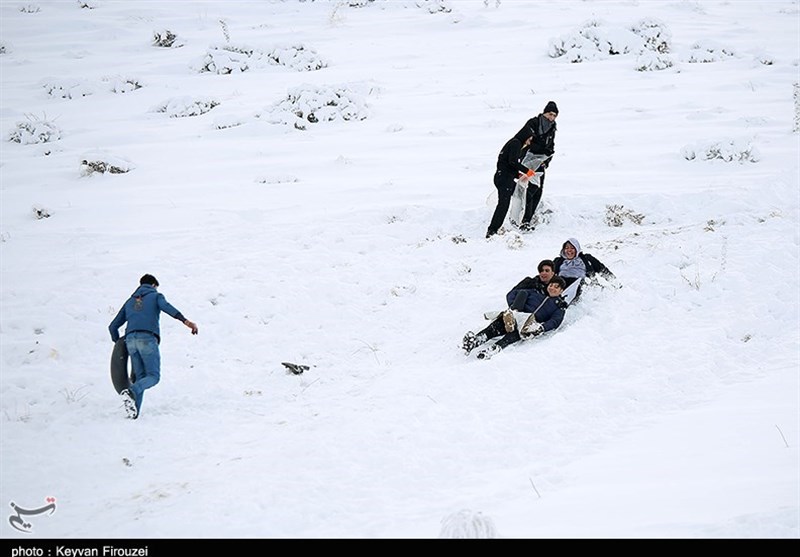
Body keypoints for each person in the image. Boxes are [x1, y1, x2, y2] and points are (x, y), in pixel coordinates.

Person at [108, 274, 198, 419]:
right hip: (147, 339)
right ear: (154, 285)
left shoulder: (129, 302)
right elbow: (168, 308)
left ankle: (133, 413)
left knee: (140, 378)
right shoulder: (156, 296)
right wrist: (186, 322)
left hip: (130, 341)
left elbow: (113, 326)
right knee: (153, 376)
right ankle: (131, 392)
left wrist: (119, 345)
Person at [462, 275, 568, 360]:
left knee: (513, 335)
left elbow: (555, 321)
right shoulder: (536, 292)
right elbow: (513, 294)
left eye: (556, 287)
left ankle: (492, 350)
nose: (552, 288)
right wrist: (514, 306)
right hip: (515, 315)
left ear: (561, 290)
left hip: (527, 323)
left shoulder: (559, 306)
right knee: (495, 327)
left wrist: (541, 327)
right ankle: (475, 341)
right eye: (551, 285)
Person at [514, 101, 558, 231]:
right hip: (528, 160)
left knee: (538, 190)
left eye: (554, 115)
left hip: (541, 162)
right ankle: (521, 219)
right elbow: (525, 141)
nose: (551, 117)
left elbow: (551, 147)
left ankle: (527, 220)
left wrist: (546, 161)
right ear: (545, 113)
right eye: (550, 114)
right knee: (529, 189)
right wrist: (539, 149)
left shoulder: (552, 127)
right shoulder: (533, 123)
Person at [486, 128, 536, 239]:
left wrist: (517, 174)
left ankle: (519, 221)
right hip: (504, 179)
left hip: (504, 177)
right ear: (525, 136)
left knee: (519, 197)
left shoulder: (514, 143)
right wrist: (527, 171)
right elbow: (512, 162)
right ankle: (492, 230)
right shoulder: (516, 143)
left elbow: (507, 163)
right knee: (503, 205)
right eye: (529, 139)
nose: (529, 142)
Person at [553, 237, 615, 303]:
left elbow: (602, 270)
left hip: (581, 285)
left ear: (577, 249)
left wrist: (615, 282)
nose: (569, 250)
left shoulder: (586, 259)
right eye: (566, 248)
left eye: (572, 248)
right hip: (563, 285)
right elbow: (548, 273)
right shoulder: (558, 261)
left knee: (580, 285)